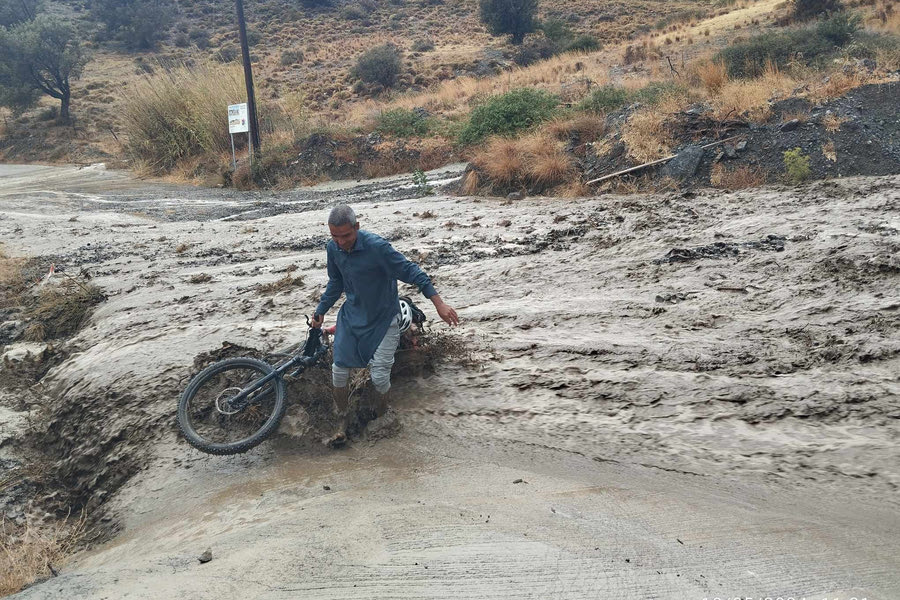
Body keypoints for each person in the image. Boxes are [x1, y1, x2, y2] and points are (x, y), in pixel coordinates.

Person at [310, 204, 459, 446]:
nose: (341, 242)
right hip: (352, 318)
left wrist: (439, 305)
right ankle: (342, 420)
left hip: (384, 319)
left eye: (346, 236)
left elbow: (413, 272)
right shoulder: (333, 249)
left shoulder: (377, 248)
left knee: (379, 375)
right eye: (334, 236)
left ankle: (381, 416)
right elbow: (335, 282)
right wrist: (320, 311)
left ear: (357, 228)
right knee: (339, 371)